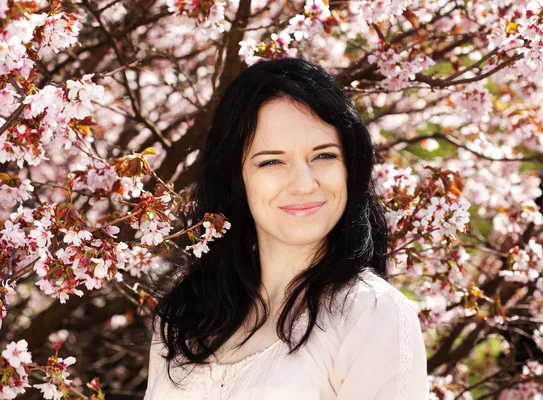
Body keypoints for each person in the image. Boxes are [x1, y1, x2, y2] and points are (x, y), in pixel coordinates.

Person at [144, 57, 429, 399]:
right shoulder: (184, 318)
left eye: (323, 156)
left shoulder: (371, 315)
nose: (304, 184)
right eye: (272, 161)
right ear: (237, 178)